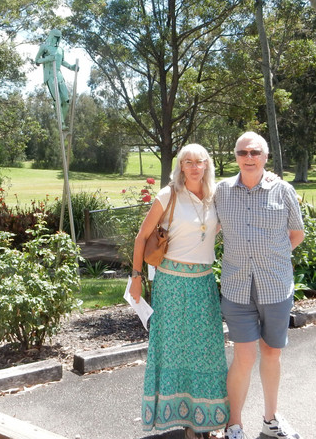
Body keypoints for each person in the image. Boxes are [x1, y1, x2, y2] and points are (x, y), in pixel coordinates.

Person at [130, 144, 230, 439]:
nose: (195, 167)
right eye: (189, 162)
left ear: (208, 165)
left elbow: (245, 183)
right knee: (173, 350)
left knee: (207, 352)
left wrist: (270, 177)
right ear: (181, 166)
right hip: (171, 284)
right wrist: (136, 278)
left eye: (200, 162)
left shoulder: (215, 196)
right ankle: (183, 420)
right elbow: (141, 238)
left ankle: (204, 421)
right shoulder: (168, 194)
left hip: (203, 282)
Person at [214, 132, 305, 439]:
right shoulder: (222, 191)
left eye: (255, 152)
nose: (249, 157)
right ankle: (234, 425)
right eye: (243, 152)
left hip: (276, 286)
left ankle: (271, 420)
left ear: (266, 157)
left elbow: (296, 233)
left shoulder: (283, 190)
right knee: (244, 356)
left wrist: (274, 258)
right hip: (236, 287)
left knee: (271, 352)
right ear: (236, 156)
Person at [35, 29, 78, 129]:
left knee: (66, 101)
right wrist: (47, 59)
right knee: (57, 99)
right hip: (50, 75)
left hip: (59, 75)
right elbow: (36, 61)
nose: (56, 39)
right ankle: (62, 124)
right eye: (55, 37)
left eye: (58, 37)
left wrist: (72, 67)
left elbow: (62, 61)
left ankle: (62, 120)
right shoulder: (44, 47)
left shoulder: (60, 49)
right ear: (51, 36)